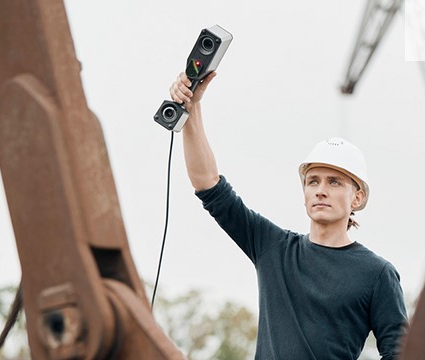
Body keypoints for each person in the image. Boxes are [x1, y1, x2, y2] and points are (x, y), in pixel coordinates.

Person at [170, 71, 407, 360]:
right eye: (313, 181)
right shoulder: (273, 247)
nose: (321, 190)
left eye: (334, 182)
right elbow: (207, 184)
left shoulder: (377, 274)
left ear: (357, 197)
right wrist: (192, 106)